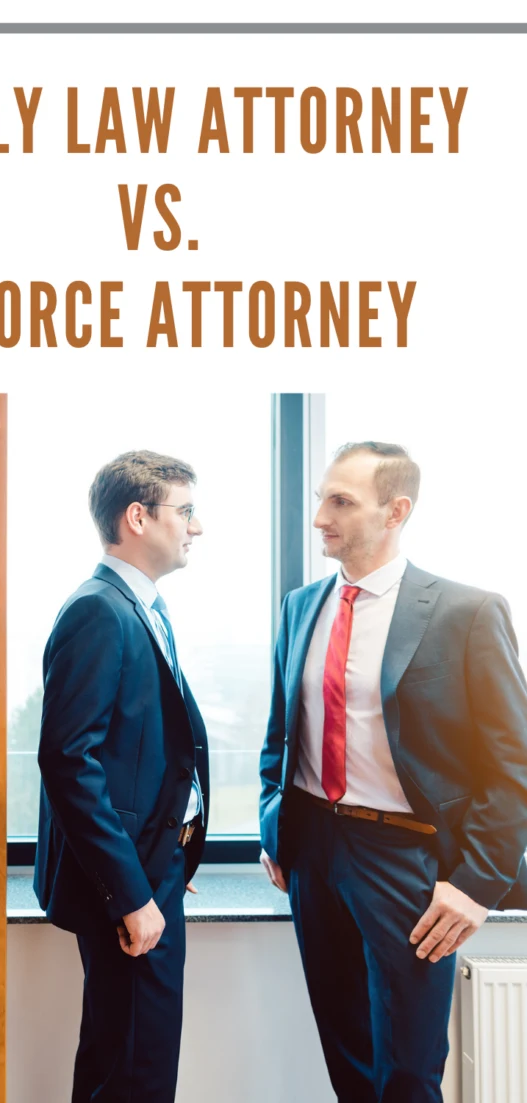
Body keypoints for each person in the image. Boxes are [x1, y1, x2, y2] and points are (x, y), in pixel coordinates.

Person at [259, 441, 527, 1103]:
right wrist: (275, 825)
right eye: (321, 496)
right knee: (345, 1055)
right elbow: (279, 735)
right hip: (313, 854)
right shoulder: (301, 605)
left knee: (406, 1071)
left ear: (395, 510)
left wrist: (477, 883)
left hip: (405, 858)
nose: (320, 514)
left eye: (341, 501)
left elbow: (511, 761)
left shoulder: (466, 612)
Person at [34, 449, 209, 1103]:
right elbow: (69, 761)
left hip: (152, 865)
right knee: (132, 1070)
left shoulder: (142, 607)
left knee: (136, 1053)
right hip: (128, 882)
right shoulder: (98, 611)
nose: (196, 527)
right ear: (137, 516)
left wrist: (171, 849)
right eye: (185, 510)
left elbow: (142, 750)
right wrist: (132, 892)